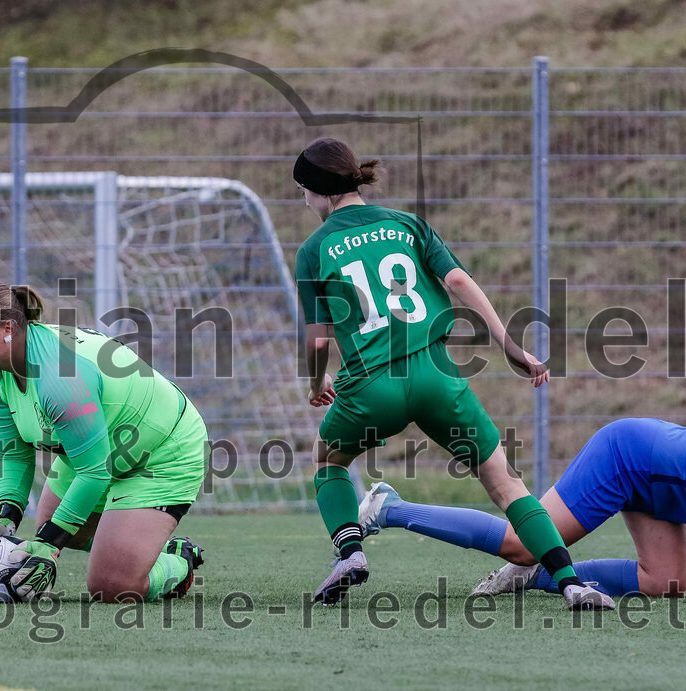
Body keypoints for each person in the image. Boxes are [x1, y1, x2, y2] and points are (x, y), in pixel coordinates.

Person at [292, 137, 612, 610]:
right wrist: (508, 343)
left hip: (371, 385)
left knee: (329, 462)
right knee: (504, 483)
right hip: (438, 376)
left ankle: (351, 552)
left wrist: (317, 381)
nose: (303, 200)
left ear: (318, 191)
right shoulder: (407, 224)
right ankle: (571, 583)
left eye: (303, 190)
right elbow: (458, 281)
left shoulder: (314, 249)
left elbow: (318, 339)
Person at [0, 282, 207, 603]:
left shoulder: (60, 379)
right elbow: (15, 454)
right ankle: (142, 545)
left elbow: (95, 472)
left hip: (160, 452)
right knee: (52, 523)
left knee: (112, 586)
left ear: (8, 328)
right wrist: (5, 518)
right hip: (100, 453)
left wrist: (49, 546)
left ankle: (177, 560)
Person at [361, 417, 686, 599]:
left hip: (657, 478)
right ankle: (391, 507)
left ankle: (539, 573)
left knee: (666, 580)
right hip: (626, 457)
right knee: (521, 543)